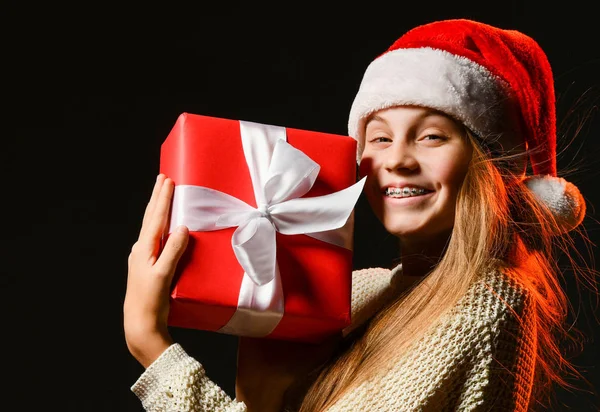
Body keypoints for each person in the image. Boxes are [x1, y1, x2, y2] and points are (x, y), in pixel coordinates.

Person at [124, 18, 595, 411]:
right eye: (380, 138)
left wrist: (154, 349)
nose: (398, 160)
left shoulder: (492, 301)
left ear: (487, 163)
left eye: (431, 136)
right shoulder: (361, 292)